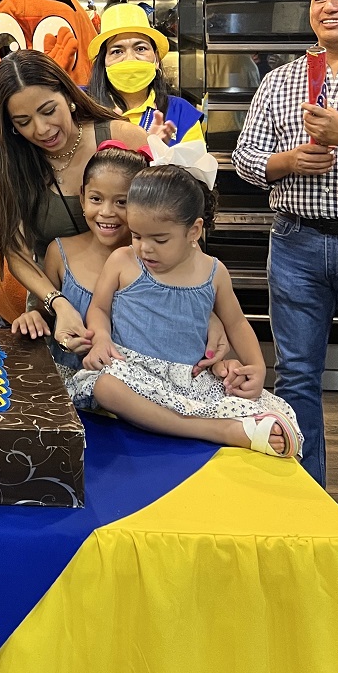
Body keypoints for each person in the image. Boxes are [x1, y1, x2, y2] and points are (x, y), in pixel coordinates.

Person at [71, 165, 302, 459]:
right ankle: (220, 430)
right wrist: (101, 337)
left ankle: (224, 423)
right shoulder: (122, 261)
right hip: (131, 371)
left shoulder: (213, 272)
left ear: (193, 230)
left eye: (160, 239)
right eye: (137, 235)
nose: (145, 249)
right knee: (105, 387)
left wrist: (256, 366)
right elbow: (100, 308)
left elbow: (237, 323)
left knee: (272, 411)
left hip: (189, 379)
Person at [232, 0, 338, 485]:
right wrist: (288, 161)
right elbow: (247, 159)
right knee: (298, 378)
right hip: (296, 242)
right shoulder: (281, 81)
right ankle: (313, 498)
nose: (328, 6)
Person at [0, 50, 153, 343]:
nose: (42, 129)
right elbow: (16, 251)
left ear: (68, 96)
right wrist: (55, 302)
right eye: (23, 121)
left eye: (48, 111)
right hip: (56, 303)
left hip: (137, 297)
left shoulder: (125, 139)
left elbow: (170, 223)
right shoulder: (9, 164)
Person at [12, 144, 151, 364]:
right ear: (82, 198)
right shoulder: (59, 253)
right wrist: (33, 319)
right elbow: (46, 314)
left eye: (122, 202)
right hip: (68, 380)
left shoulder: (152, 259)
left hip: (134, 384)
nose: (106, 212)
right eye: (96, 199)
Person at [86, 2, 204, 146]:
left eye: (141, 48)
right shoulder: (81, 106)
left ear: (156, 60)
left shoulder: (181, 113)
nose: (130, 58)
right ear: (103, 63)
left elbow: (195, 167)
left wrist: (159, 153)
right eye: (117, 51)